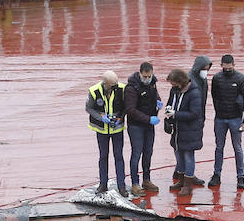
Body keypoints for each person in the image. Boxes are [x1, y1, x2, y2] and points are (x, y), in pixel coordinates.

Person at [208, 54, 244, 190]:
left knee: (237, 148)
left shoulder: (241, 79)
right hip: (220, 118)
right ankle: (216, 174)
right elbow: (214, 96)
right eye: (225, 68)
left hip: (235, 119)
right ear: (221, 65)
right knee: (219, 147)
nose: (227, 70)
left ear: (234, 65)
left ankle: (240, 176)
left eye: (229, 68)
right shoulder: (217, 78)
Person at [85, 70, 128, 196]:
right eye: (112, 85)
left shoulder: (122, 89)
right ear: (106, 84)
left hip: (117, 129)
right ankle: (103, 184)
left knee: (118, 156)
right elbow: (89, 108)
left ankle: (122, 186)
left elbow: (126, 107)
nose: (114, 87)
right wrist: (101, 117)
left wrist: (119, 118)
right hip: (102, 130)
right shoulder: (94, 91)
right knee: (103, 156)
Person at [123, 62, 162, 195]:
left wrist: (158, 101)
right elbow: (130, 109)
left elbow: (155, 95)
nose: (147, 79)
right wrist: (148, 119)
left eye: (149, 76)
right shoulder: (131, 88)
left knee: (148, 152)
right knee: (136, 153)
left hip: (149, 126)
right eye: (145, 77)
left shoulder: (153, 83)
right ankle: (135, 182)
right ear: (140, 74)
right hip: (136, 126)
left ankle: (146, 179)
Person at [164, 68, 205, 191]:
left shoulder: (194, 93)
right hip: (177, 131)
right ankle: (181, 181)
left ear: (180, 81)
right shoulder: (175, 90)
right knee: (179, 156)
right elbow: (171, 102)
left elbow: (194, 114)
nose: (172, 85)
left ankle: (188, 184)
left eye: (173, 83)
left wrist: (175, 114)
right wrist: (168, 110)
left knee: (188, 157)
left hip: (190, 131)